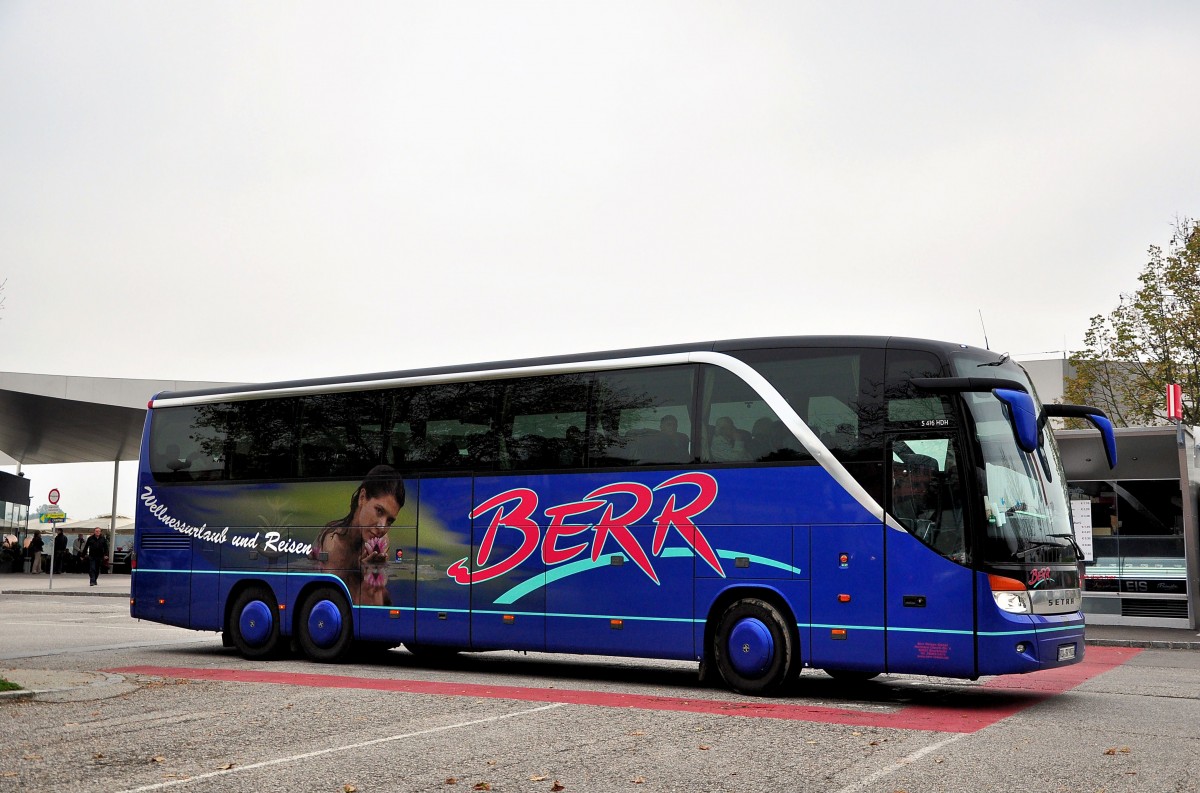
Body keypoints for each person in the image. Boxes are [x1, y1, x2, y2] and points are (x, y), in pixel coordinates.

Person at [311, 465, 405, 607]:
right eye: (379, 511)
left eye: (390, 520)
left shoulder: (381, 542)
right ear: (362, 498)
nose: (382, 527)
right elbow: (334, 604)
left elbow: (377, 607)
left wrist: (372, 571)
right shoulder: (334, 545)